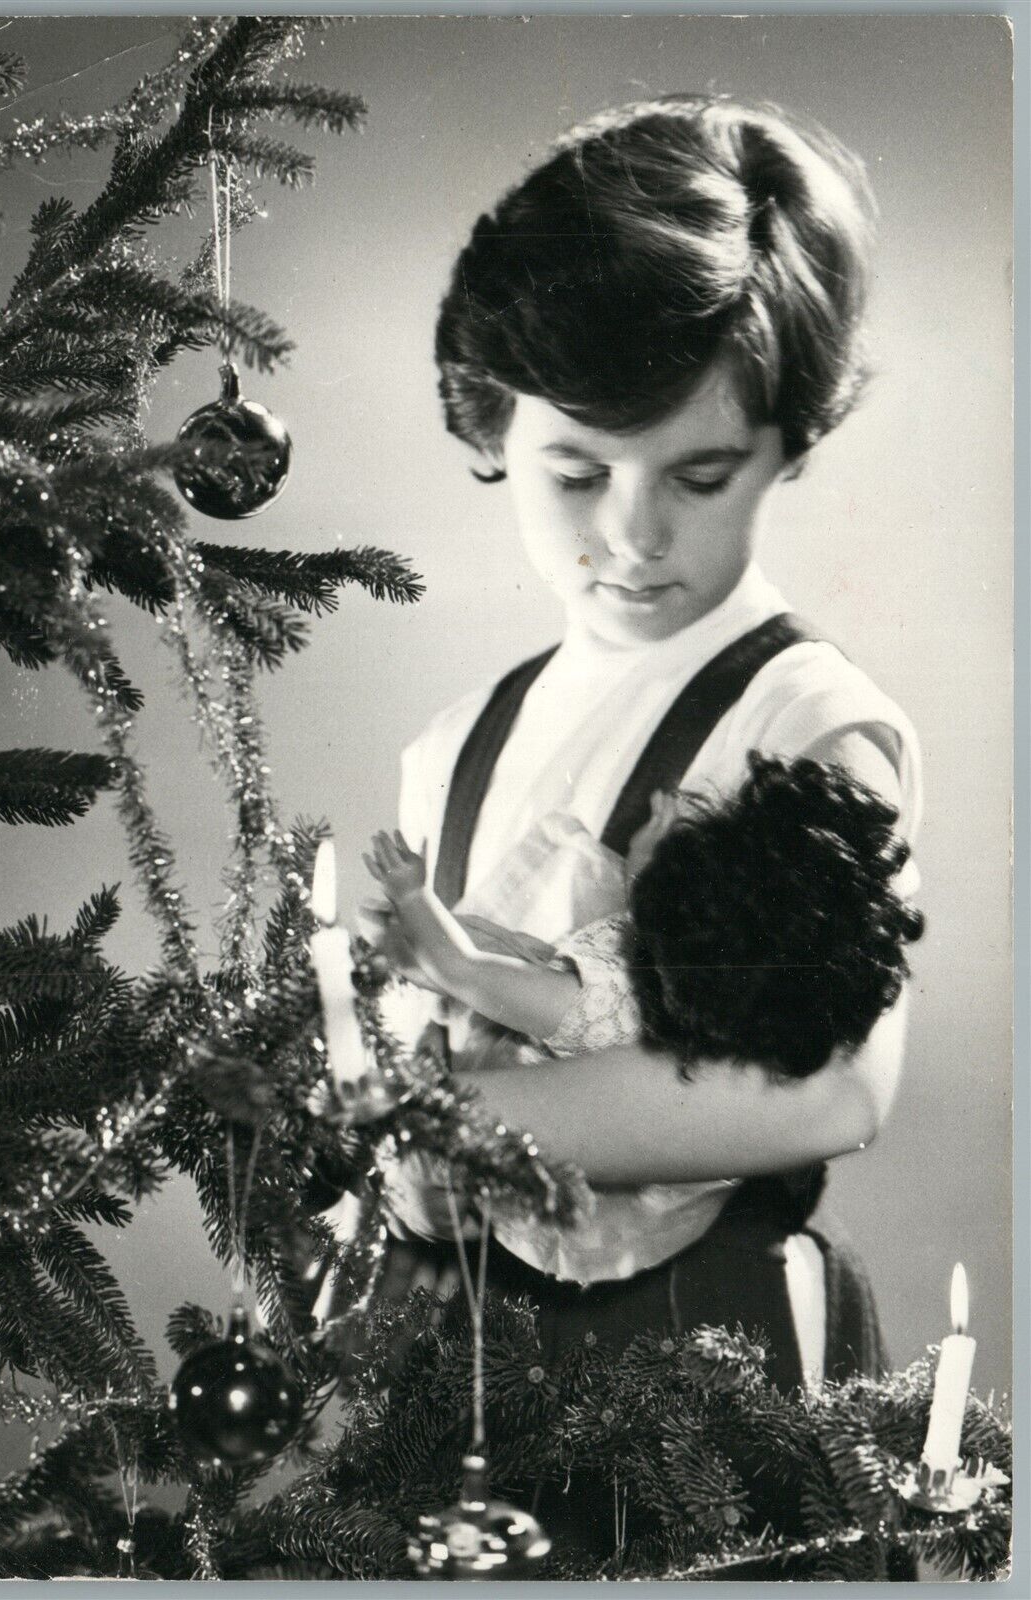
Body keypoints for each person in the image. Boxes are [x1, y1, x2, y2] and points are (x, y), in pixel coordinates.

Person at [364, 93, 923, 1399]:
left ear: (788, 439)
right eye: (578, 473)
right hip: (456, 1358)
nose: (633, 536)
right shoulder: (453, 748)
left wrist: (449, 1124)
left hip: (705, 1365)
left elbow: (824, 1092)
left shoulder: (807, 719)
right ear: (492, 422)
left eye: (699, 474)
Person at [365, 754, 922, 1287]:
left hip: (533, 1170)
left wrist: (412, 894)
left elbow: (463, 969)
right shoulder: (720, 994)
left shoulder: (591, 1002)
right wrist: (651, 855)